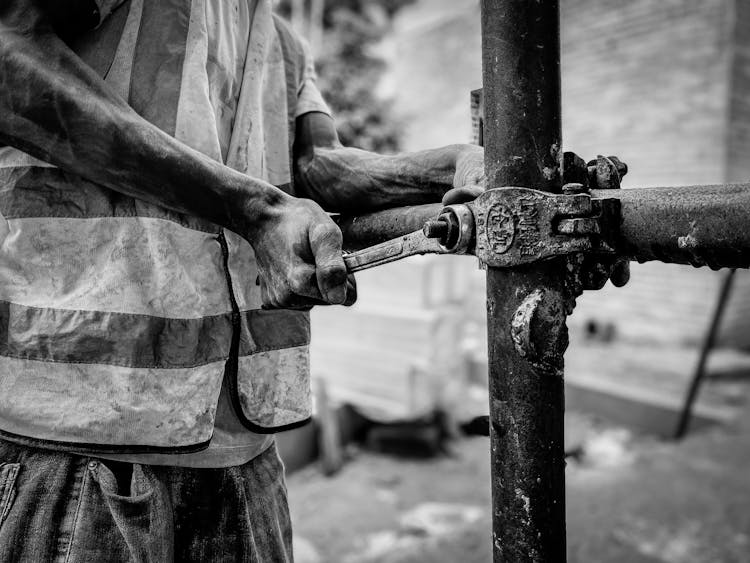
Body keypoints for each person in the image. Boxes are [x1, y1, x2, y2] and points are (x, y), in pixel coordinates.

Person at [0, 1, 486, 560]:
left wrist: (451, 165)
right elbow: (10, 58)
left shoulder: (274, 33)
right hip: (78, 441)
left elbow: (318, 164)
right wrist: (256, 211)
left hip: (243, 453)